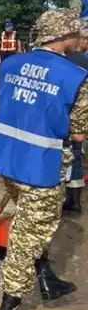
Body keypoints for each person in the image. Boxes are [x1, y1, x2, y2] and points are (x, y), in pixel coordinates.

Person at [0, 8, 87, 310]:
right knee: (27, 235)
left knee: (30, 225)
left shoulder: (9, 64)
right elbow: (80, 134)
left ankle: (46, 278)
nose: (80, 38)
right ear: (63, 36)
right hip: (41, 169)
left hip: (5, 160)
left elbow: (8, 106)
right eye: (76, 33)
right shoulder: (76, 77)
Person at [62, 26, 88, 213]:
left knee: (63, 156)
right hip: (83, 111)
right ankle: (75, 201)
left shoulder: (66, 60)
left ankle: (62, 199)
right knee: (77, 155)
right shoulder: (84, 60)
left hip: (68, 111)